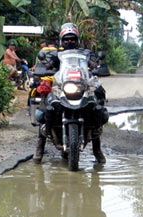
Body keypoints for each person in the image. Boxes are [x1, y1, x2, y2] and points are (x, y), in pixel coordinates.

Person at [33, 22, 108, 164]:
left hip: (82, 85)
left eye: (72, 38)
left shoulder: (85, 53)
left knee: (97, 103)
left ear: (77, 39)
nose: (69, 41)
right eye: (66, 39)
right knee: (45, 104)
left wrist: (97, 66)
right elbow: (47, 64)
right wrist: (44, 67)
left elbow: (93, 63)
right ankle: (40, 146)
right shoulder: (57, 54)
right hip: (62, 86)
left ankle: (97, 148)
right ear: (62, 40)